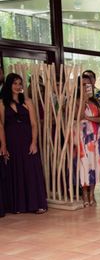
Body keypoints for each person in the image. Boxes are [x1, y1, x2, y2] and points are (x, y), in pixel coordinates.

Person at [0, 73, 47, 214]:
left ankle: (38, 204)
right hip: (12, 141)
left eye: (20, 83)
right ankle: (18, 206)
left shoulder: (27, 101)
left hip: (27, 140)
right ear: (9, 84)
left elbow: (34, 124)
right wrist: (3, 145)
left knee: (32, 170)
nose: (18, 86)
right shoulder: (2, 103)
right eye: (15, 83)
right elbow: (1, 126)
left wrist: (34, 142)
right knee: (16, 171)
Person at [76, 75, 100, 207]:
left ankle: (92, 193)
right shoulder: (75, 101)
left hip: (96, 136)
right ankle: (84, 193)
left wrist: (89, 118)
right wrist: (83, 100)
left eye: (88, 84)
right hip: (81, 136)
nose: (86, 87)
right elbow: (75, 117)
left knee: (95, 163)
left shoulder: (95, 101)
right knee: (84, 163)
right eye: (83, 84)